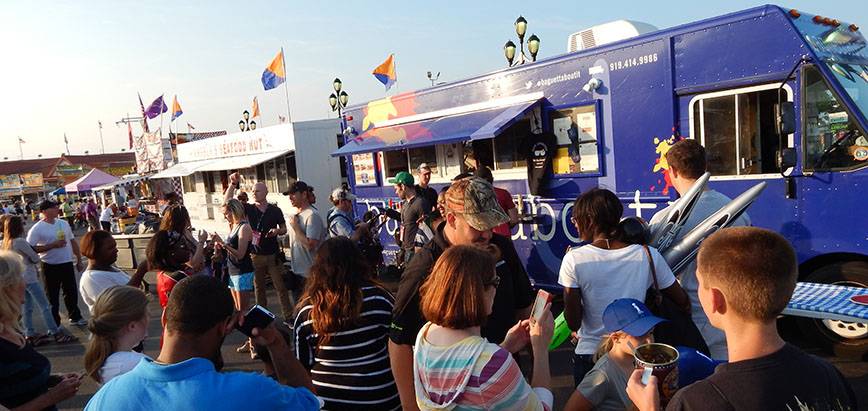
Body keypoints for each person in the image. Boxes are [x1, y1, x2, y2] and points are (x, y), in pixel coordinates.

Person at [627, 227, 857, 410]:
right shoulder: (829, 375)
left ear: (716, 300)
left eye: (700, 284)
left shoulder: (698, 401)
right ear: (787, 294)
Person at [389, 176, 535, 411]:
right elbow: (398, 340)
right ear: (451, 219)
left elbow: (524, 307)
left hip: (504, 382)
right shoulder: (423, 267)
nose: (487, 234)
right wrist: (409, 406)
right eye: (478, 226)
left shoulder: (501, 248)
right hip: (451, 399)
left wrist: (533, 367)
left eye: (492, 223)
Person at [84, 275, 320, 410]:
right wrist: (276, 343)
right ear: (225, 327)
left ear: (165, 318)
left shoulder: (105, 398)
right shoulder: (249, 392)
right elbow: (308, 400)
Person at [559, 188, 689, 385]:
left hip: (590, 354)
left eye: (576, 220)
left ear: (590, 220)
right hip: (635, 354)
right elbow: (682, 300)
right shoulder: (647, 254)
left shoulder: (574, 260)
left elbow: (573, 323)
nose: (576, 226)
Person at [413, 245, 554, 410]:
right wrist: (540, 349)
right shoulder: (493, 365)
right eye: (496, 281)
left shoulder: (425, 334)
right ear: (478, 292)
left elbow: (466, 370)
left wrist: (505, 347)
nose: (497, 288)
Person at [649, 138, 751, 361]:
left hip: (686, 325)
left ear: (672, 171)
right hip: (729, 322)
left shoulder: (662, 220)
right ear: (706, 168)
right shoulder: (738, 213)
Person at [293, 237, 400, 410]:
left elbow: (301, 367)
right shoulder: (380, 298)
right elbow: (400, 345)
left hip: (329, 401)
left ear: (318, 268)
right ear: (358, 262)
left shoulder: (307, 310)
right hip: (380, 398)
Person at [0, 250, 84, 410]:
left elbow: (14, 382)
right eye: (20, 278)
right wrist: (51, 397)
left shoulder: (13, 330)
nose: (25, 284)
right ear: (5, 289)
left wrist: (51, 379)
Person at [564, 298, 664, 411]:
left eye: (651, 333)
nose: (649, 341)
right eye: (640, 335)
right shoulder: (601, 376)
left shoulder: (642, 359)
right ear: (616, 339)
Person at [224, 172, 292, 324]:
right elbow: (228, 202)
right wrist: (233, 184)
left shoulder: (275, 210)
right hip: (255, 255)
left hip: (273, 254)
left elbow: (284, 228)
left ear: (266, 192)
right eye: (253, 191)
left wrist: (276, 231)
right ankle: (264, 318)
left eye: (258, 191)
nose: (254, 193)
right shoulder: (248, 208)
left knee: (280, 287)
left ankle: (288, 316)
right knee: (259, 289)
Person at [2, 215, 78, 345]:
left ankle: (29, 333)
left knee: (27, 307)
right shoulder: (20, 241)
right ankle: (55, 332)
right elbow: (35, 257)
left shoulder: (6, 242)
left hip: (18, 277)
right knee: (44, 305)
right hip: (29, 276)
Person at [27, 200, 87, 326]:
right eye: (53, 208)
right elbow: (31, 248)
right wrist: (52, 245)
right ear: (44, 211)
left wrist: (79, 259)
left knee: (71, 291)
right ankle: (55, 323)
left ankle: (75, 316)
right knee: (52, 296)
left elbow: (72, 241)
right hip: (49, 264)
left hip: (66, 262)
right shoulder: (37, 228)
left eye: (56, 207)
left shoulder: (63, 224)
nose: (56, 209)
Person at [212, 199, 255, 355]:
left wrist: (223, 245)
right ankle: (249, 340)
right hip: (233, 270)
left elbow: (241, 254)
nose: (225, 217)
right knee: (238, 309)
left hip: (242, 270)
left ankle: (253, 342)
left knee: (243, 310)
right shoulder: (235, 227)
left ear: (234, 211)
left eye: (226, 214)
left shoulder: (244, 228)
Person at [84, 286, 150, 385]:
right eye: (148, 315)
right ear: (132, 326)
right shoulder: (134, 365)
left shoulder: (106, 353)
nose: (150, 320)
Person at [78, 230, 148, 313]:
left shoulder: (112, 269)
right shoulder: (91, 278)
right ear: (94, 251)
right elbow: (118, 302)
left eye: (115, 246)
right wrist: (140, 271)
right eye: (110, 248)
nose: (116, 250)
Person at [283, 181, 326, 300]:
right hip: (297, 273)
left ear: (304, 194)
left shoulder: (312, 215)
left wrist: (296, 227)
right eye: (289, 195)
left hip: (310, 275)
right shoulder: (296, 215)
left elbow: (310, 245)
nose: (290, 198)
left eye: (293, 194)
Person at [388, 171, 431, 265]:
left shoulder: (420, 203)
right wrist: (402, 250)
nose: (396, 192)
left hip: (417, 252)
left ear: (403, 187)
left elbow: (428, 230)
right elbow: (406, 224)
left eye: (396, 188)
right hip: (407, 250)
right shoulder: (405, 204)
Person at [145, 230, 193, 309]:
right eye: (183, 246)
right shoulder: (179, 278)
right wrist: (216, 264)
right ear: (171, 252)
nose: (188, 249)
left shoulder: (162, 274)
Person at [473, 166, 519, 238]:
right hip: (503, 234)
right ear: (491, 179)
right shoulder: (503, 193)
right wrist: (505, 227)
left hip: (481, 237)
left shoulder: (471, 196)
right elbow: (514, 220)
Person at [159, 205, 207, 273]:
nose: (188, 220)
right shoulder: (176, 238)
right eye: (187, 217)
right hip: (187, 277)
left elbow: (196, 252)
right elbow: (192, 263)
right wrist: (201, 242)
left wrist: (206, 248)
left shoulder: (186, 231)